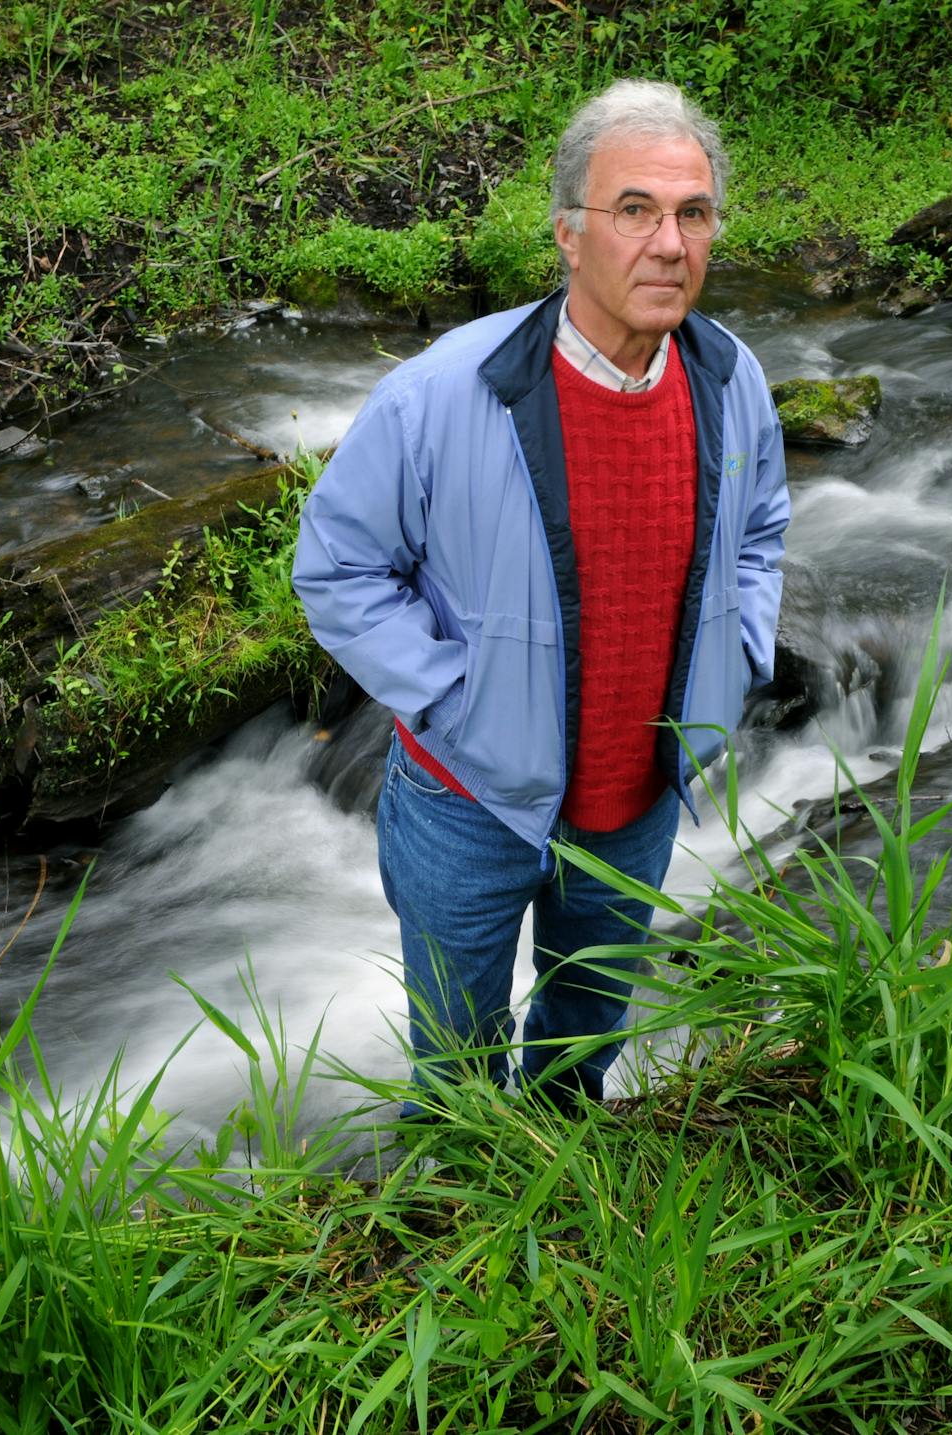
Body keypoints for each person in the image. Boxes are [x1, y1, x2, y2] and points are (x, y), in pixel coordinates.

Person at [292, 79, 790, 1115]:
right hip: (468, 799)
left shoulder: (728, 377)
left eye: (693, 213)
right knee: (459, 1076)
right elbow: (336, 566)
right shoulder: (446, 392)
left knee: (581, 1048)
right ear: (568, 234)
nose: (669, 243)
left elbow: (762, 534)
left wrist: (734, 657)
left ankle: (571, 1217)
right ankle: (469, 1228)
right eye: (635, 210)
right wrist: (450, 696)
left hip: (638, 798)